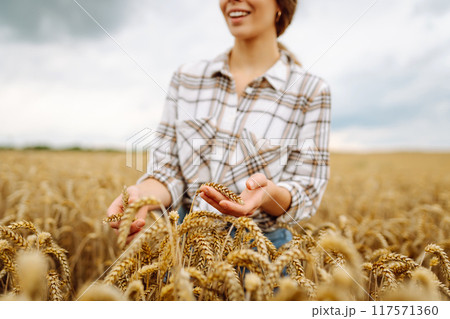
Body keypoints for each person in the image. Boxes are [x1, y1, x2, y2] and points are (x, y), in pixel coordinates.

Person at [107, 0, 331, 248]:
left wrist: (268, 194)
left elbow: (306, 190)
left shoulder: (311, 91)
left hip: (263, 253)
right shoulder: (187, 78)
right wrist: (140, 199)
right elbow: (168, 171)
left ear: (280, 5)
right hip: (183, 250)